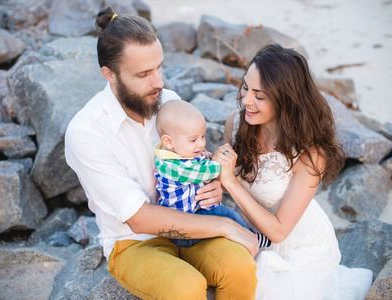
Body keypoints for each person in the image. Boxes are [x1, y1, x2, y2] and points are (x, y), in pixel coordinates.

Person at [64, 6, 259, 300]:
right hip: (133, 241)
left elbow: (193, 159)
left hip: (191, 220)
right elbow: (139, 218)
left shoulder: (168, 102)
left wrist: (211, 188)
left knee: (240, 268)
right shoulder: (86, 132)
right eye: (144, 73)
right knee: (185, 287)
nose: (159, 82)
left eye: (159, 67)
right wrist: (225, 225)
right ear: (109, 74)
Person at [213, 44, 373, 300]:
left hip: (303, 247)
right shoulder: (236, 123)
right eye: (245, 87)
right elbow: (225, 177)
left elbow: (278, 231)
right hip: (255, 235)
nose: (246, 101)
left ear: (285, 98)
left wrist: (230, 183)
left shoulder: (311, 153)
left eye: (259, 95)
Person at [154, 99, 271, 248]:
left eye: (203, 137)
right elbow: (203, 172)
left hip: (190, 218)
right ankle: (252, 237)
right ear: (169, 141)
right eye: (193, 140)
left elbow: (196, 162)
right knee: (227, 214)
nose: (202, 144)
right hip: (184, 227)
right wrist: (220, 164)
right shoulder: (173, 167)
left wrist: (205, 156)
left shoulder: (171, 154)